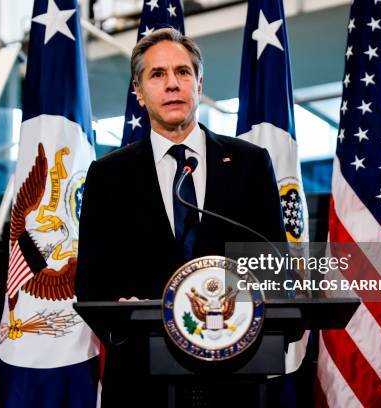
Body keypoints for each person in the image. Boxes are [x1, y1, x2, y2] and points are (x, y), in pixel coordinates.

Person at [76, 28, 286, 408]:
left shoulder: (250, 164)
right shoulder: (108, 176)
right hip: (141, 383)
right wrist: (124, 317)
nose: (172, 84)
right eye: (157, 75)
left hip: (235, 379)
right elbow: (91, 285)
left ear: (199, 83)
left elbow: (275, 267)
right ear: (138, 92)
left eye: (183, 72)